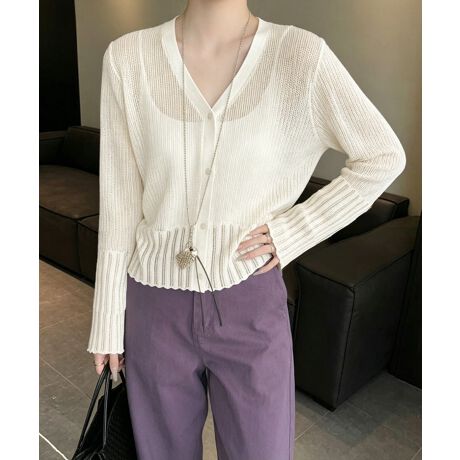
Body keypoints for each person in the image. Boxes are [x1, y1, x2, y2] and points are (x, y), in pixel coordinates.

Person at [86, 1, 406, 458]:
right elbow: (119, 202)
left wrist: (294, 230)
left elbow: (382, 155)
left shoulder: (299, 57)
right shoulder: (127, 58)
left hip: (249, 297)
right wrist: (106, 320)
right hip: (152, 306)